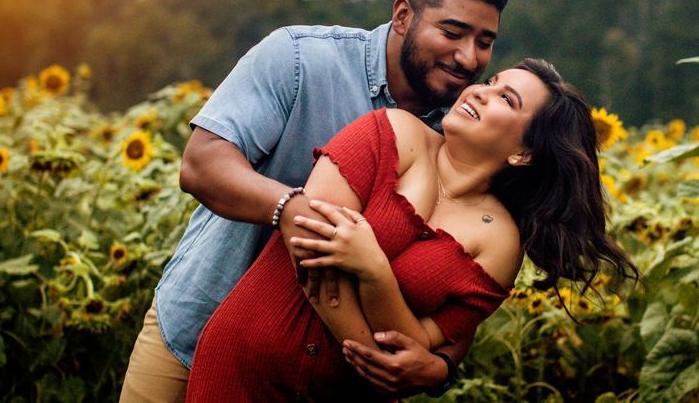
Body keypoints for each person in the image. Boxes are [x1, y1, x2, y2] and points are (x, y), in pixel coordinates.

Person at [119, 0, 508, 402]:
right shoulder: (301, 59)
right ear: (403, 15)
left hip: (324, 379)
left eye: (484, 42)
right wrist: (289, 208)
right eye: (452, 32)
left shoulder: (463, 130)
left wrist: (440, 366)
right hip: (199, 322)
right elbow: (202, 163)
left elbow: (460, 284)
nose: (468, 57)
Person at [185, 59, 637, 401]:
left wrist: (374, 270)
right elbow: (309, 245)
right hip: (244, 364)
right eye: (491, 82)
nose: (481, 92)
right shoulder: (389, 131)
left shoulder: (500, 242)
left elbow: (422, 344)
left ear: (524, 153)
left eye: (507, 99)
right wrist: (381, 363)